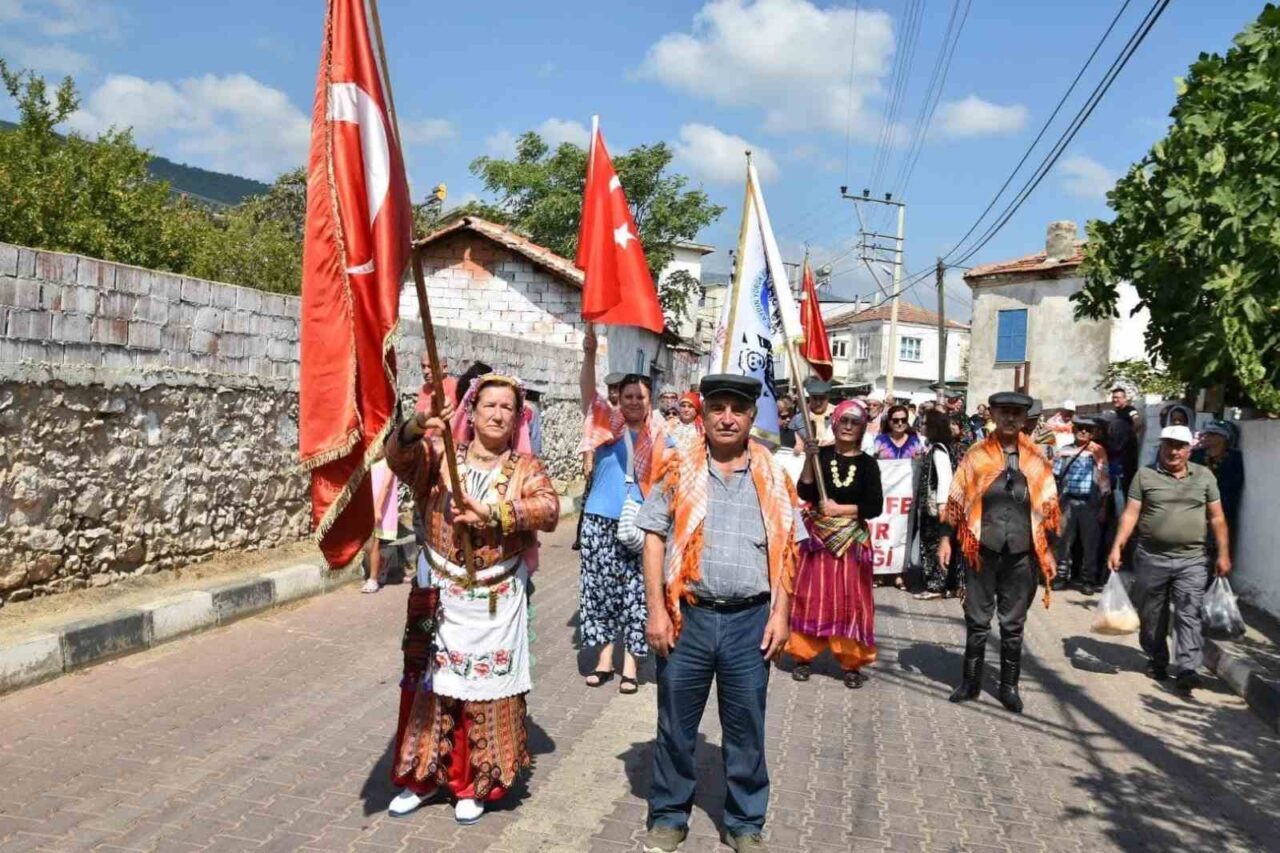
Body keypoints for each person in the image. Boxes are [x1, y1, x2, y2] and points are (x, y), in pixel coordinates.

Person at [636, 374, 802, 853]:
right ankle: (669, 815)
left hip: (750, 622)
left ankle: (745, 823)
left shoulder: (774, 476)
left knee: (746, 726)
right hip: (687, 617)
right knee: (675, 725)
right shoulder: (677, 469)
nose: (727, 418)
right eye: (718, 409)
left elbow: (791, 547)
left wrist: (781, 615)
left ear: (752, 417)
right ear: (704, 416)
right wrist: (656, 612)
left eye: (738, 409)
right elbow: (652, 537)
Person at [385, 372, 559, 824]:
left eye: (508, 408)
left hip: (496, 599)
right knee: (430, 686)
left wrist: (495, 513)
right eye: (490, 406)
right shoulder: (442, 458)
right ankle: (422, 778)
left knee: (485, 692)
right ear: (472, 411)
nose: (498, 414)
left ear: (518, 416)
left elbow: (549, 508)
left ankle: (472, 783)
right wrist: (416, 426)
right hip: (440, 593)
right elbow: (399, 459)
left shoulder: (525, 467)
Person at [940, 392, 1059, 714]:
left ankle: (1009, 687)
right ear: (993, 414)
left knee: (1013, 624)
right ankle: (970, 682)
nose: (1010, 418)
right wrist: (946, 539)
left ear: (1024, 419)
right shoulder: (976, 455)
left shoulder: (1037, 458)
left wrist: (1047, 552)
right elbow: (956, 499)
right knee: (977, 620)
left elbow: (1048, 508)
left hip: (1022, 551)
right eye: (1004, 412)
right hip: (982, 547)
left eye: (1016, 413)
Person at [578, 329, 668, 695]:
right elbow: (587, 391)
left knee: (636, 594)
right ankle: (604, 662)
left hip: (641, 525)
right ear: (619, 398)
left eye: (640, 396)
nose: (633, 402)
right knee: (598, 592)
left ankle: (630, 667)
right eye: (627, 396)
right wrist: (589, 355)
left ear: (650, 400)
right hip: (599, 520)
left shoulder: (662, 432)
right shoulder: (605, 422)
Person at [1109, 425, 1232, 691]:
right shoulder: (1145, 475)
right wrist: (1117, 546)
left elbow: (1217, 517)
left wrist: (1223, 553)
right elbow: (1131, 513)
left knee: (1189, 614)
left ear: (1189, 449)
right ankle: (1157, 658)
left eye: (1180, 446)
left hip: (1193, 559)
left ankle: (1188, 668)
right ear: (1161, 446)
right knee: (1152, 614)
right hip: (1151, 557)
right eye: (1169, 445)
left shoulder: (1205, 476)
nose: (1173, 451)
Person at [785, 398, 885, 690]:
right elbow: (805, 489)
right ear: (835, 422)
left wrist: (841, 510)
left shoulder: (867, 465)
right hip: (818, 539)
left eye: (855, 422)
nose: (848, 426)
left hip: (850, 539)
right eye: (844, 421)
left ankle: (851, 662)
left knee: (850, 601)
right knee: (811, 595)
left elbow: (874, 505)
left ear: (863, 428)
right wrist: (808, 458)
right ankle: (803, 656)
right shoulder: (821, 456)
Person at [1051, 417, 1110, 594]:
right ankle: (1061, 576)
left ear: (1092, 433)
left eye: (1088, 429)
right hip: (1066, 502)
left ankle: (1088, 580)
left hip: (1090, 503)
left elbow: (1105, 480)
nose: (1084, 431)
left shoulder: (1098, 451)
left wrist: (1104, 507)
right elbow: (1054, 478)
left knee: (1090, 543)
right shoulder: (1063, 451)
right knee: (1063, 541)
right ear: (1074, 429)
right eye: (1080, 428)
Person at [914, 410, 957, 600]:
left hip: (935, 509)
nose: (921, 426)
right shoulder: (934, 447)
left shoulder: (939, 450)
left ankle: (936, 585)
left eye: (924, 423)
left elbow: (945, 478)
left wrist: (942, 505)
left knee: (933, 545)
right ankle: (941, 583)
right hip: (930, 507)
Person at [1191, 422, 1244, 552]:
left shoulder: (1233, 457)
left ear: (1223, 437)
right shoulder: (1197, 455)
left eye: (1211, 434)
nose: (1206, 437)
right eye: (1206, 434)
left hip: (1221, 510)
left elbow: (1234, 484)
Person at [364, 455, 399, 594]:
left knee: (374, 542)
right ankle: (383, 562)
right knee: (364, 545)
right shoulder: (368, 458)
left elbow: (386, 485)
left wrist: (378, 507)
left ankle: (373, 579)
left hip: (380, 504)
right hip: (367, 503)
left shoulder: (390, 460)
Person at [1104, 386, 1143, 498]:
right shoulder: (1116, 413)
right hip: (1116, 452)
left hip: (1127, 454)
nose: (1115, 400)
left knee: (1128, 483)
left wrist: (1128, 436)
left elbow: (1138, 421)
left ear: (1125, 399)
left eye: (1118, 397)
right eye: (1114, 397)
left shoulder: (1130, 410)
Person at [790, 378, 834, 450]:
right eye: (814, 398)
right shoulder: (798, 419)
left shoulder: (839, 416)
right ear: (809, 397)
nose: (818, 403)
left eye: (822, 398)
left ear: (828, 397)